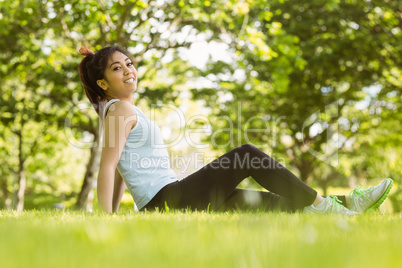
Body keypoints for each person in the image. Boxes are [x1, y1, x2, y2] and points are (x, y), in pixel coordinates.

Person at [78, 44, 394, 215]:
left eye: (129, 63)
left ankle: (348, 205)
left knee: (276, 204)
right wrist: (106, 219)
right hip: (167, 198)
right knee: (246, 156)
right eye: (117, 68)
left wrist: (119, 211)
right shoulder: (120, 109)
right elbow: (107, 166)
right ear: (103, 83)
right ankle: (328, 206)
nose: (128, 70)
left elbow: (120, 167)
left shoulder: (122, 110)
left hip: (170, 198)